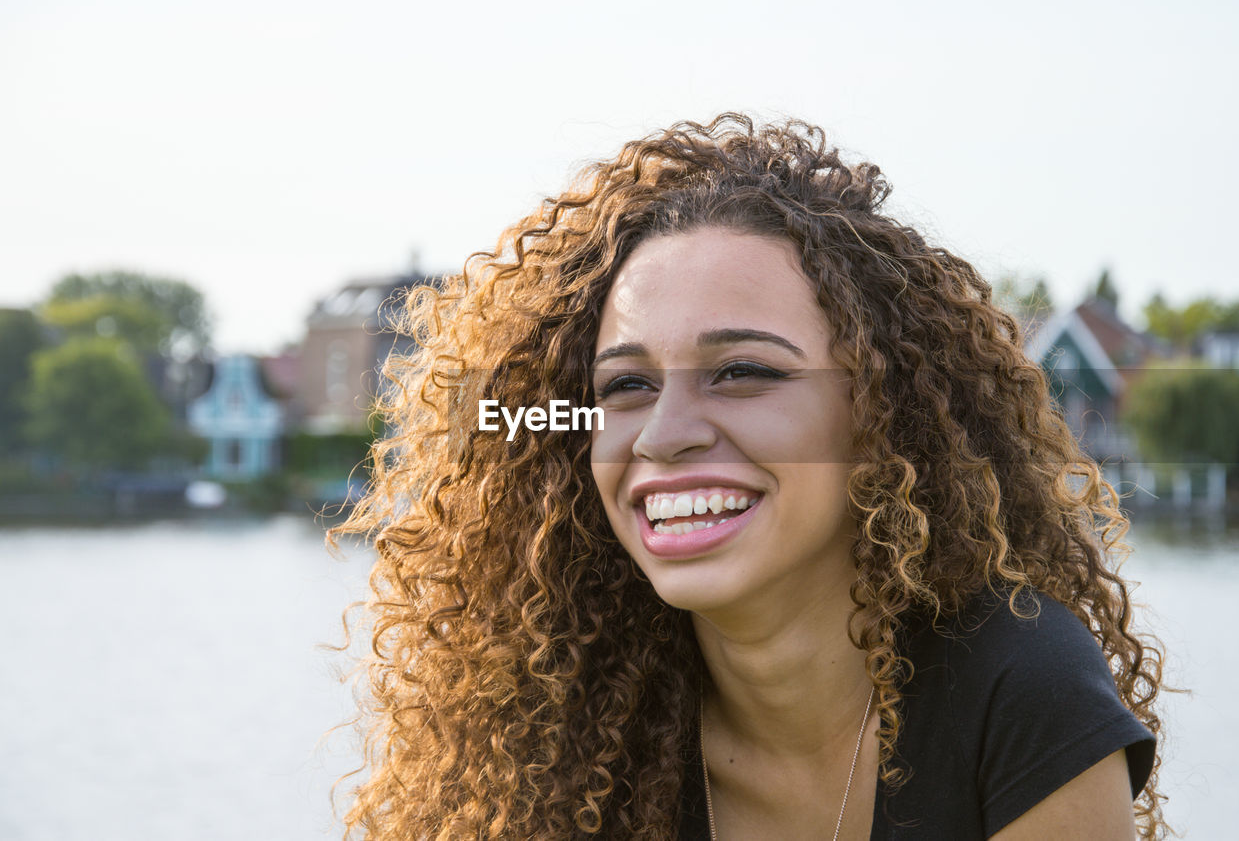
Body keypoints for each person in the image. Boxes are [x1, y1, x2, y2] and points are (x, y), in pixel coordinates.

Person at [335, 113, 1168, 839]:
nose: (663, 436)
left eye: (741, 371)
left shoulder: (1022, 692)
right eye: (627, 384)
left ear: (883, 416)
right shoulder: (547, 722)